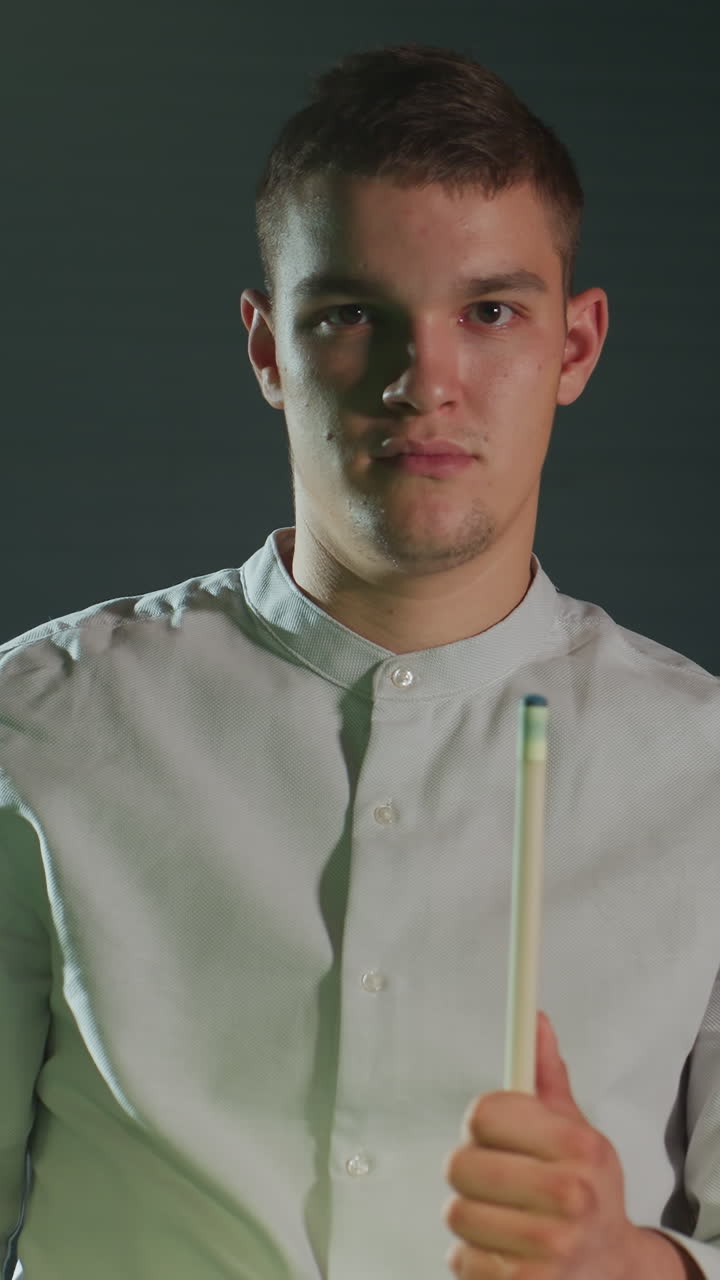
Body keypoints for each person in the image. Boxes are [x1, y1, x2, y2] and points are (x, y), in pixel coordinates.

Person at [1, 41, 717, 1280]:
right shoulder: (37, 724)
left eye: (490, 311)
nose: (420, 380)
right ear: (269, 346)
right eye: (349, 315)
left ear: (577, 346)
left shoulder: (706, 768)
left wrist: (618, 1262)